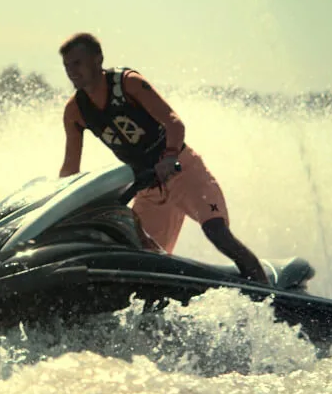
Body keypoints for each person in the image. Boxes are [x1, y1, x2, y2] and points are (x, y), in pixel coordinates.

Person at [56, 32, 270, 285]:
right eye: (67, 66)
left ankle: (268, 293)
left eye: (77, 63)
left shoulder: (128, 83)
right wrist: (60, 204)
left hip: (184, 171)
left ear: (98, 59)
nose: (72, 71)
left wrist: (168, 157)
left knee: (217, 233)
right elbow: (70, 167)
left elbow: (174, 123)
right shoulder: (75, 111)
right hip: (148, 188)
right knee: (142, 259)